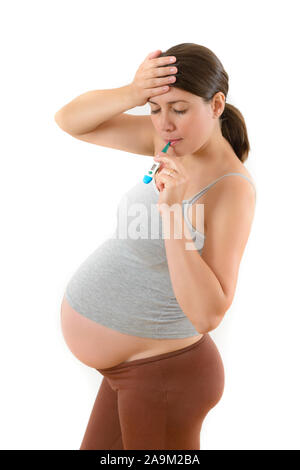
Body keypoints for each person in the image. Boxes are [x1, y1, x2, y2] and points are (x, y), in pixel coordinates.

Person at [55, 43, 256, 450]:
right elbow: (70, 121)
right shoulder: (167, 142)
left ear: (216, 105)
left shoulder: (232, 189)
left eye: (179, 109)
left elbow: (208, 313)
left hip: (164, 377)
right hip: (129, 371)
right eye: (155, 108)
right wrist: (133, 92)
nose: (164, 124)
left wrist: (171, 212)